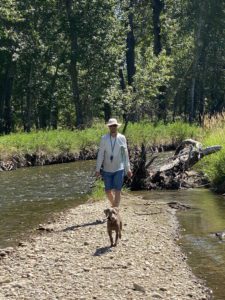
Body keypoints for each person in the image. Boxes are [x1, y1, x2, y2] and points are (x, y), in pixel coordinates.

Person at [95, 118, 132, 207]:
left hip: (119, 168)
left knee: (117, 190)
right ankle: (114, 206)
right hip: (107, 169)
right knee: (108, 191)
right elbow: (100, 155)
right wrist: (97, 169)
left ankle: (115, 210)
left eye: (114, 125)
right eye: (111, 126)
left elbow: (125, 155)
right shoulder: (104, 138)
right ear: (109, 127)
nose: (113, 127)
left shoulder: (122, 138)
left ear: (117, 126)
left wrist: (128, 169)